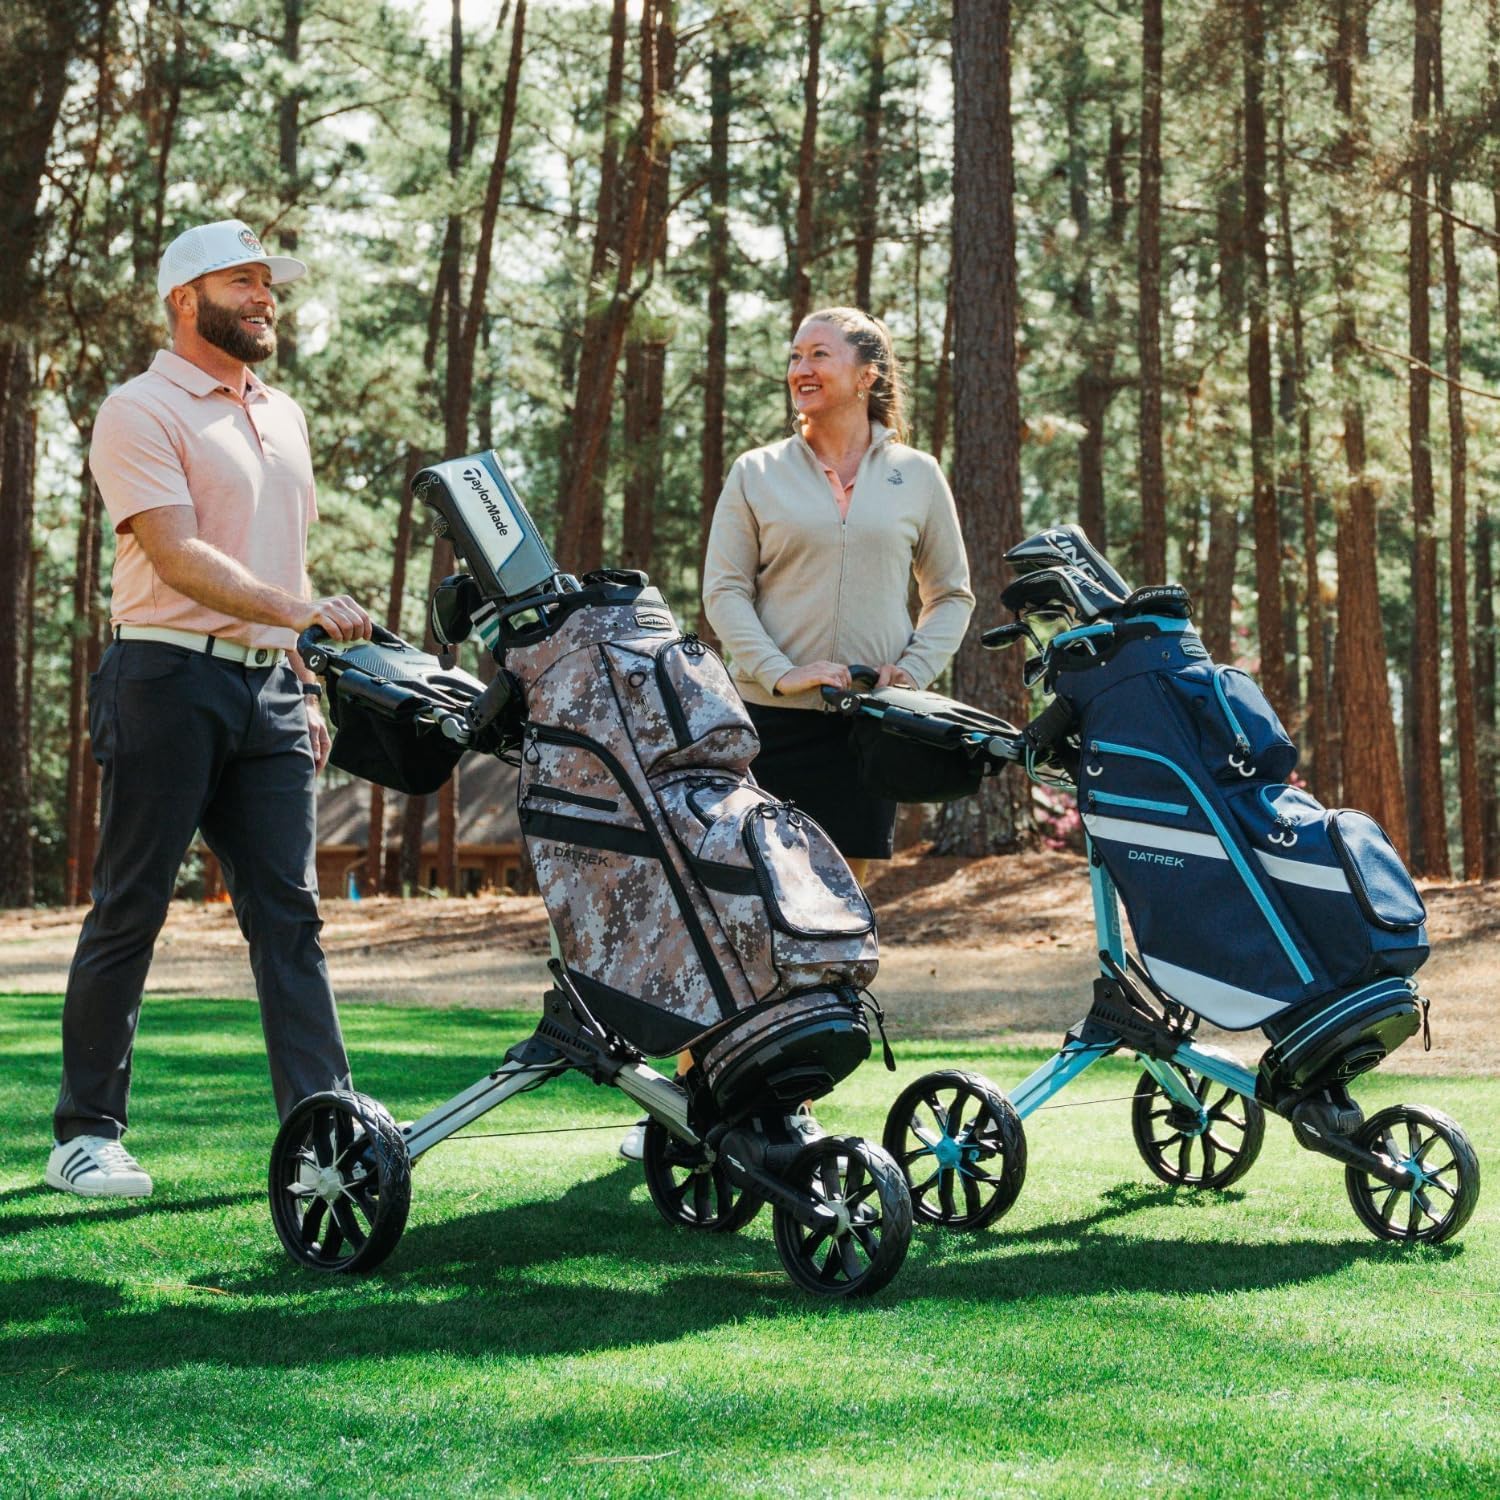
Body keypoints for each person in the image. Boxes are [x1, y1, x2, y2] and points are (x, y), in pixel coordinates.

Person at [46, 219, 372, 1199]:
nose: (265, 297)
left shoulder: (285, 414)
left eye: (269, 283)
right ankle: (86, 1134)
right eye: (244, 281)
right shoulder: (138, 410)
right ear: (186, 298)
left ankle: (324, 1125)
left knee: (291, 913)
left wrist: (303, 677)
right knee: (133, 902)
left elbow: (287, 559)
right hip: (164, 677)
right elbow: (177, 551)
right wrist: (295, 616)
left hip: (269, 687)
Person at [619, 306, 974, 1162]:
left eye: (820, 354)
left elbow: (952, 593)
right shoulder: (758, 472)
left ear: (868, 374)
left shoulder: (917, 476)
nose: (800, 367)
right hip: (759, 725)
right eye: (794, 356)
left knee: (826, 934)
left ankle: (789, 1103)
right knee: (734, 915)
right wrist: (780, 670)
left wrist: (912, 672)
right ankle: (685, 1097)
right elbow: (724, 590)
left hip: (866, 730)